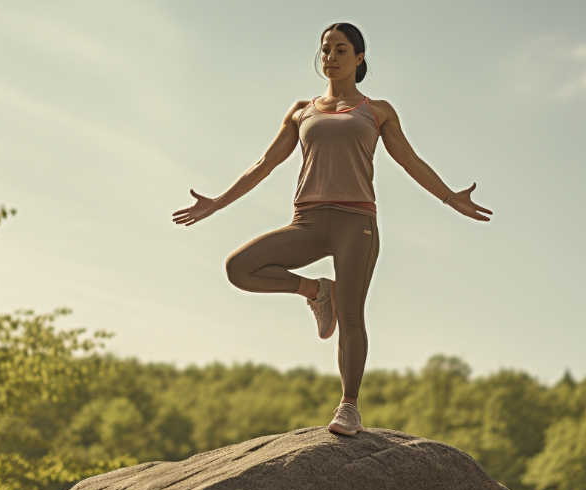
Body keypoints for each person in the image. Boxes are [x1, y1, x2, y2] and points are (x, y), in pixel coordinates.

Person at [172, 22, 491, 436]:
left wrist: (450, 197)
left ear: (359, 58)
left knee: (352, 314)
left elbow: (410, 161)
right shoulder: (302, 110)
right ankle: (316, 290)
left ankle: (349, 406)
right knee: (239, 268)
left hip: (356, 221)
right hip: (307, 220)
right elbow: (264, 165)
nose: (331, 57)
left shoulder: (377, 111)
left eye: (341, 50)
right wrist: (216, 203)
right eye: (325, 50)